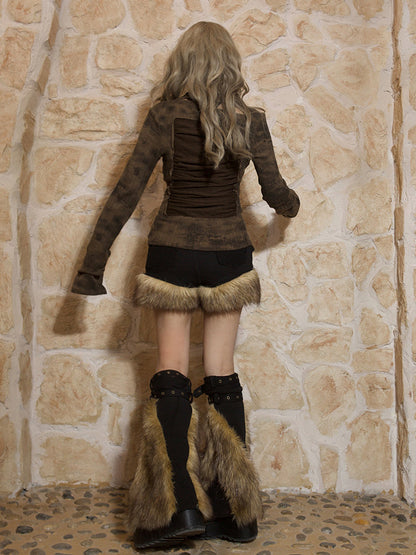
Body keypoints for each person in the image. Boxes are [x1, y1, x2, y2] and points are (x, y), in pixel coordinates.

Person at [71, 21, 300, 550]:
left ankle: (177, 511)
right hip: (228, 256)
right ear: (230, 64)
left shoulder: (164, 116)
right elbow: (277, 193)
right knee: (221, 374)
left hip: (172, 254)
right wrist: (292, 206)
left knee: (171, 375)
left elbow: (125, 193)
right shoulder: (251, 121)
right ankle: (237, 515)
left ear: (184, 64)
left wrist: (91, 269)